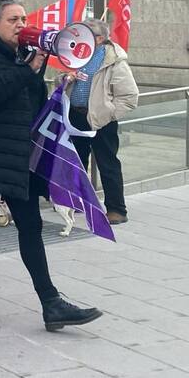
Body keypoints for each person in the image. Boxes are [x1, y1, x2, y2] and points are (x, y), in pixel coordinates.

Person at [0, 0, 102, 332]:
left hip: (19, 155)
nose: (21, 25)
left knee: (32, 226)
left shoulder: (22, 57)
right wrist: (27, 69)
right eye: (13, 20)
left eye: (23, 19)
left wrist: (56, 85)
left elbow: (30, 102)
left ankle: (51, 303)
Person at [69, 19, 138, 226]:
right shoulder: (78, 56)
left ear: (100, 38)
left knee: (108, 164)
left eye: (87, 33)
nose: (81, 37)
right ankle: (78, 201)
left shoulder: (114, 61)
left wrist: (107, 114)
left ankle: (116, 209)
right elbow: (65, 82)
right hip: (76, 116)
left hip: (101, 121)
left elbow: (129, 96)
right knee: (76, 162)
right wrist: (65, 80)